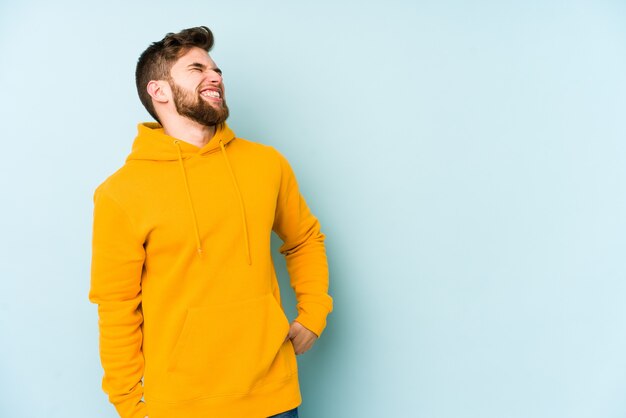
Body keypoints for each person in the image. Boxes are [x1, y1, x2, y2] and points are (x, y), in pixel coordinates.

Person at [89, 26, 333, 418]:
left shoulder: (266, 164)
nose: (215, 76)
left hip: (274, 396)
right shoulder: (121, 193)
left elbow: (304, 238)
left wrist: (314, 311)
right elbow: (116, 307)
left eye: (216, 69)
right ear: (160, 91)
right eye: (197, 68)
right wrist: (130, 405)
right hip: (181, 405)